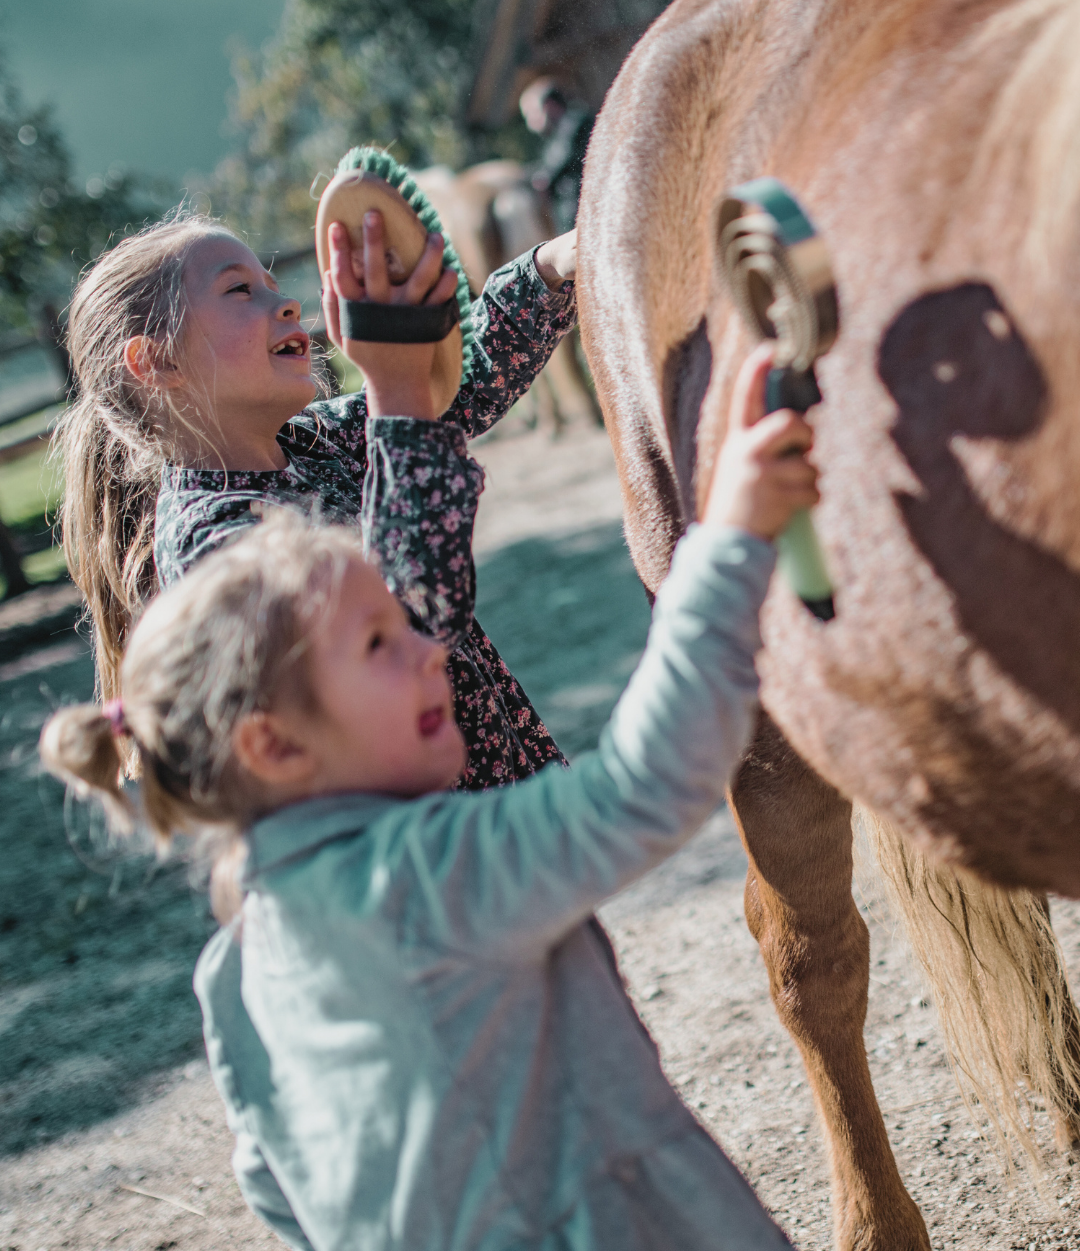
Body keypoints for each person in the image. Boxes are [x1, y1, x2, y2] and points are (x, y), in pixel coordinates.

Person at [40, 345, 818, 1250]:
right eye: (380, 644)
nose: (431, 650)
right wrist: (727, 545)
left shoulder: (232, 977)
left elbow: (282, 1193)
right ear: (275, 743)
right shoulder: (425, 874)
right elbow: (641, 789)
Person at [56, 201, 578, 790]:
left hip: (492, 805)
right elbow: (410, 622)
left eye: (272, 284)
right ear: (157, 361)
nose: (286, 304)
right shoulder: (213, 543)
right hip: (416, 850)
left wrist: (552, 267)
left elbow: (451, 389)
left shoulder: (314, 442)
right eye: (239, 291)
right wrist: (392, 384)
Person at [520, 77, 595, 234]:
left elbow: (558, 161)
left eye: (532, 113)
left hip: (588, 216)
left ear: (548, 105)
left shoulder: (576, 123)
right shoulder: (554, 138)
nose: (529, 123)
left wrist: (541, 178)